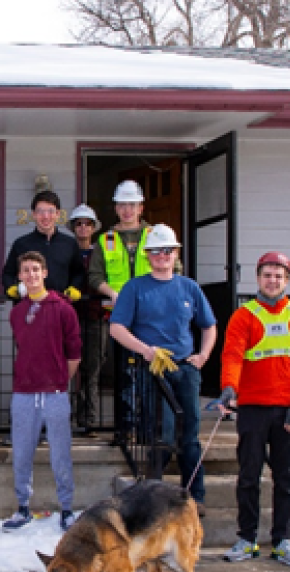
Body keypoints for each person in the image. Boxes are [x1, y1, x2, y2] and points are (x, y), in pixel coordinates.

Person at [216, 251, 290, 568]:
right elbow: (233, 355)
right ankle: (247, 539)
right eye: (267, 275)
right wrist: (229, 387)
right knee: (248, 476)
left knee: (285, 480)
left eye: (278, 275)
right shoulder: (243, 316)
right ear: (257, 278)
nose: (272, 280)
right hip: (251, 408)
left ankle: (282, 541)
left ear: (286, 280)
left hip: (288, 411)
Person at [109, 224, 217, 514]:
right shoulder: (135, 288)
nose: (162, 256)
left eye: (167, 250)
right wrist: (146, 350)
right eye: (155, 251)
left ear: (175, 253)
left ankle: (195, 496)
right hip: (152, 370)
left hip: (185, 368)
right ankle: (156, 494)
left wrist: (203, 355)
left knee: (190, 434)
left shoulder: (189, 288)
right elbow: (117, 328)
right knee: (163, 434)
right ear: (147, 256)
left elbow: (209, 326)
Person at [87, 181, 174, 444]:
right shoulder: (105, 240)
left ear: (141, 207)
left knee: (154, 372)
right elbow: (94, 276)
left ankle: (152, 430)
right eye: (123, 205)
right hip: (120, 318)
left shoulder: (156, 235)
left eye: (132, 205)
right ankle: (125, 430)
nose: (127, 210)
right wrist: (113, 293)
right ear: (116, 208)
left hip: (152, 316)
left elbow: (173, 269)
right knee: (123, 375)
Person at [3, 252, 81, 533]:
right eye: (26, 270)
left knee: (60, 453)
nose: (32, 274)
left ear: (44, 273)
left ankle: (67, 508)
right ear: (20, 276)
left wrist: (60, 379)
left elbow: (74, 352)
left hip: (55, 393)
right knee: (22, 451)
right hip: (24, 392)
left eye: (36, 269)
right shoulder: (17, 312)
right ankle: (23, 506)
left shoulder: (62, 308)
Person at [1, 191, 83, 300]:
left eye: (50, 211)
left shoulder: (70, 244)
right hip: (29, 308)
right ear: (34, 214)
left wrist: (75, 288)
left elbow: (79, 273)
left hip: (60, 307)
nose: (45, 216)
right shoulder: (21, 244)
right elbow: (8, 274)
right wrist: (12, 288)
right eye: (40, 211)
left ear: (58, 214)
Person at [68, 204, 105, 432]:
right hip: (70, 317)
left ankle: (88, 419)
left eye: (87, 224)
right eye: (78, 223)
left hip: (95, 315)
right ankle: (69, 416)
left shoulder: (100, 252)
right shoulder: (66, 251)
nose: (83, 227)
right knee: (70, 368)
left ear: (94, 228)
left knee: (92, 368)